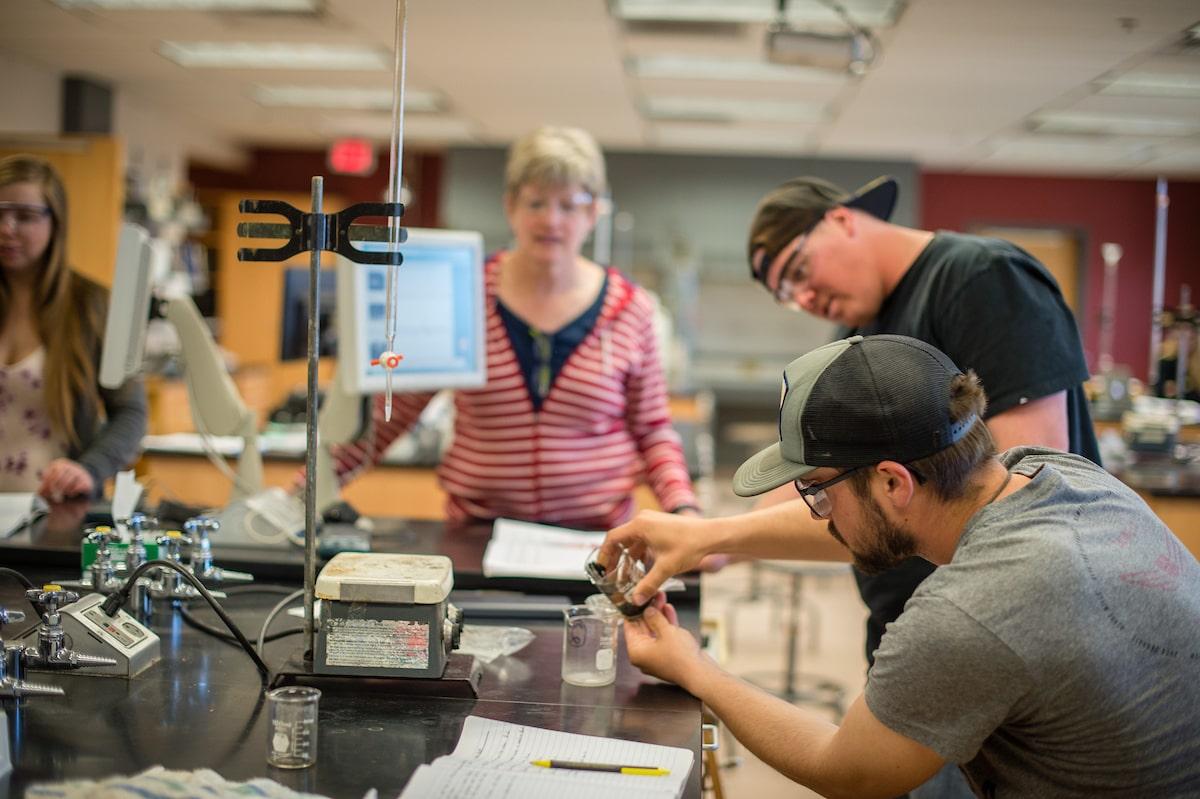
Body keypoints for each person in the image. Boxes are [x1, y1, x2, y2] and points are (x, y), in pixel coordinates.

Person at [604, 334, 1200, 798]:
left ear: (893, 482)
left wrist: (696, 669)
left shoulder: (971, 610)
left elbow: (847, 771)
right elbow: (869, 524)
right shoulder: (1055, 474)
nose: (819, 515)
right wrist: (709, 536)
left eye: (819, 492)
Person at [323, 126, 697, 528]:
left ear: (592, 213)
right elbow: (393, 413)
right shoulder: (464, 294)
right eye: (536, 202)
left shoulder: (629, 309)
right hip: (478, 533)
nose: (550, 220)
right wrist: (307, 491)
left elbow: (653, 430)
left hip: (596, 536)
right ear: (511, 206)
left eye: (568, 205)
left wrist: (685, 511)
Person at [0, 155, 146, 504]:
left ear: (56, 222)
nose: (6, 228)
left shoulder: (90, 305)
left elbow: (131, 412)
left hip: (56, 510)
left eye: (24, 216)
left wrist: (89, 469)